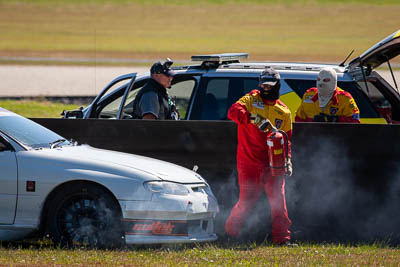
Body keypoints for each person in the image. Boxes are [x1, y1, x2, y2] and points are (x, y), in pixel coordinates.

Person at [225, 68, 294, 246]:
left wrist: (287, 160)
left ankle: (282, 239)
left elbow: (287, 140)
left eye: (269, 84)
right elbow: (232, 112)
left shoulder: (284, 111)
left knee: (279, 201)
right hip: (249, 162)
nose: (265, 88)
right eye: (262, 83)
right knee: (246, 201)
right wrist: (253, 117)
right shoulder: (251, 99)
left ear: (277, 85)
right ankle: (231, 235)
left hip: (274, 163)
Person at [295, 67, 360, 123]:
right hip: (312, 136)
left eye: (326, 80)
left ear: (334, 81)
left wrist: (334, 120)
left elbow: (355, 121)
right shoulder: (308, 95)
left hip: (337, 136)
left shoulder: (345, 98)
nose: (321, 83)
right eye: (318, 79)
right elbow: (299, 120)